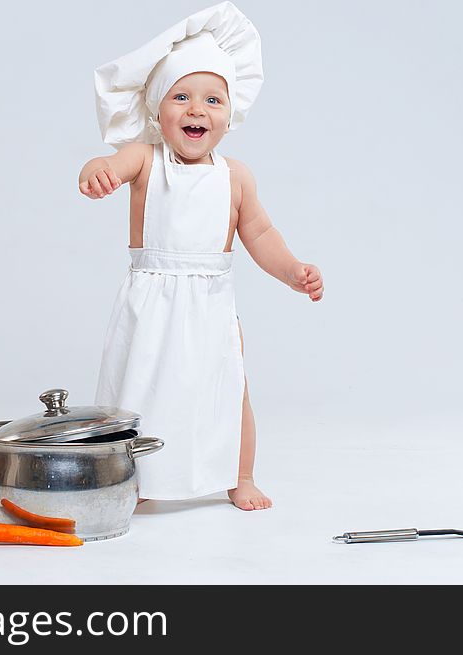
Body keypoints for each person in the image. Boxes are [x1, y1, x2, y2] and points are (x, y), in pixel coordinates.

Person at [79, 2, 323, 510]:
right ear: (156, 111)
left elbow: (259, 233)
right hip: (152, 299)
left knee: (228, 388)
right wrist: (97, 169)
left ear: (229, 116)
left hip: (210, 300)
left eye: (213, 99)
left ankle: (241, 475)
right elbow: (110, 164)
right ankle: (133, 478)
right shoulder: (144, 159)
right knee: (138, 389)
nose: (197, 109)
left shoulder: (235, 176)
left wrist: (292, 270)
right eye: (182, 96)